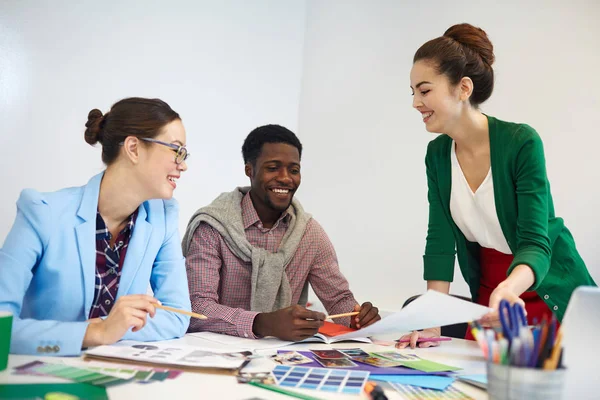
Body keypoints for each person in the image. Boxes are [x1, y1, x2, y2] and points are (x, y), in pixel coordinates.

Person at [398, 23, 596, 349]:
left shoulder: (520, 142)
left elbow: (536, 242)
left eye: (424, 90)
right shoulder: (437, 155)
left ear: (463, 88)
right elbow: (440, 242)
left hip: (544, 289)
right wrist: (431, 322)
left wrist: (508, 289)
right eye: (413, 92)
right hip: (494, 299)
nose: (416, 102)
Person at [0, 97, 192, 355]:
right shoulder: (42, 212)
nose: (183, 164)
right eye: (176, 150)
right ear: (133, 148)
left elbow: (178, 315)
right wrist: (95, 333)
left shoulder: (163, 217)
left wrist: (112, 328)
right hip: (43, 373)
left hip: (116, 376)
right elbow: (3, 326)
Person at [183, 124, 381, 341]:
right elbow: (197, 309)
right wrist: (262, 323)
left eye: (294, 170)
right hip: (215, 351)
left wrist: (357, 318)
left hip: (282, 354)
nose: (286, 178)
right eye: (273, 168)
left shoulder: (309, 233)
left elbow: (338, 300)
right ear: (249, 170)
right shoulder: (212, 228)